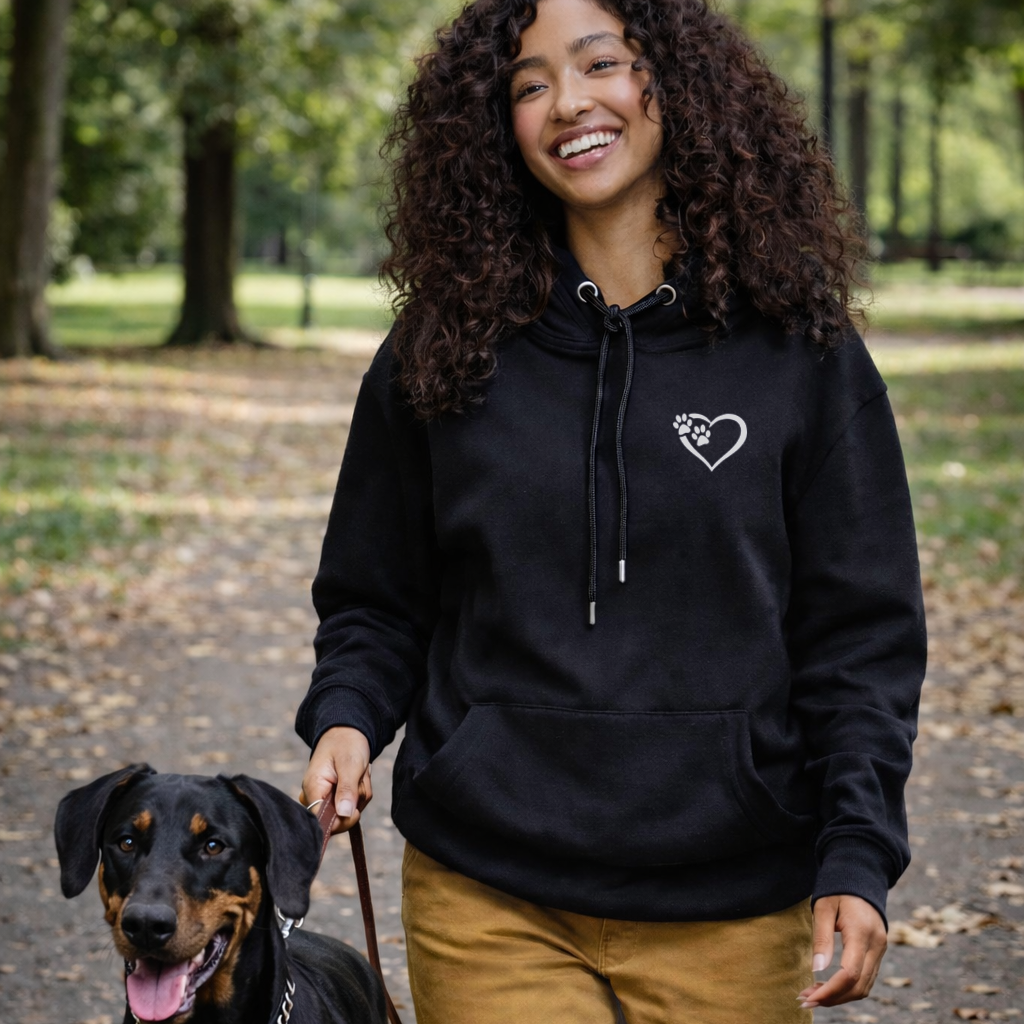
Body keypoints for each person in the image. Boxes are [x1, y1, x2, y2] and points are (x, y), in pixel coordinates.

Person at [296, 0, 927, 1019]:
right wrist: (346, 718)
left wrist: (856, 851)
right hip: (487, 893)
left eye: (600, 63)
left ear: (676, 82)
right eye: (528, 83)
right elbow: (376, 596)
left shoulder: (801, 355)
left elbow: (860, 637)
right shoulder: (441, 350)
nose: (568, 103)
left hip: (733, 899)